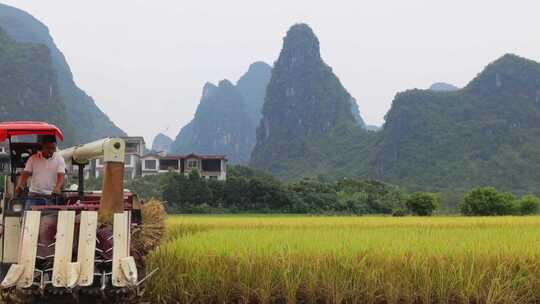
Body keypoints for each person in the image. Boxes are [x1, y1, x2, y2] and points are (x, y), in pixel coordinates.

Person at [15, 135, 66, 209]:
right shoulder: (33, 159)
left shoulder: (59, 159)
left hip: (51, 196)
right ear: (42, 147)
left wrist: (57, 188)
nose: (50, 151)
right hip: (33, 195)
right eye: (48, 148)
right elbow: (25, 174)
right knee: (28, 216)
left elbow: (61, 175)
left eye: (53, 148)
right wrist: (20, 185)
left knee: (49, 218)